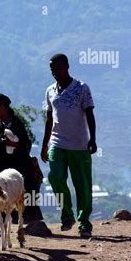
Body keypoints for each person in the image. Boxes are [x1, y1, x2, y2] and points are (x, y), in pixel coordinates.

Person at [41, 53, 97, 238]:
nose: (55, 72)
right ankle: (67, 215)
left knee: (82, 185)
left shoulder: (81, 88)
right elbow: (49, 118)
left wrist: (93, 139)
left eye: (57, 68)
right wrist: (44, 144)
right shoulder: (50, 90)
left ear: (67, 66)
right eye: (52, 70)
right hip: (57, 142)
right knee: (55, 177)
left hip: (79, 145)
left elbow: (89, 114)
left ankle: (84, 223)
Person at [0, 93, 44, 224]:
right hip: (0, 165)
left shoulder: (17, 123)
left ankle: (29, 220)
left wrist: (14, 144)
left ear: (2, 106)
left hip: (19, 164)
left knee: (26, 186)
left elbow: (26, 144)